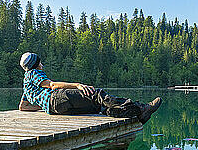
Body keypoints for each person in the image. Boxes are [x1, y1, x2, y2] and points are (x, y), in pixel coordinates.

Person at [18, 52, 162, 123]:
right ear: (35, 64)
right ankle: (141, 108)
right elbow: (52, 85)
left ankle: (136, 114)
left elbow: (23, 107)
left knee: (98, 108)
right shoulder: (34, 73)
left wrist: (43, 106)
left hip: (55, 109)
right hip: (56, 98)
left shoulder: (26, 84)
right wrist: (77, 85)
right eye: (40, 61)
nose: (42, 64)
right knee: (96, 94)